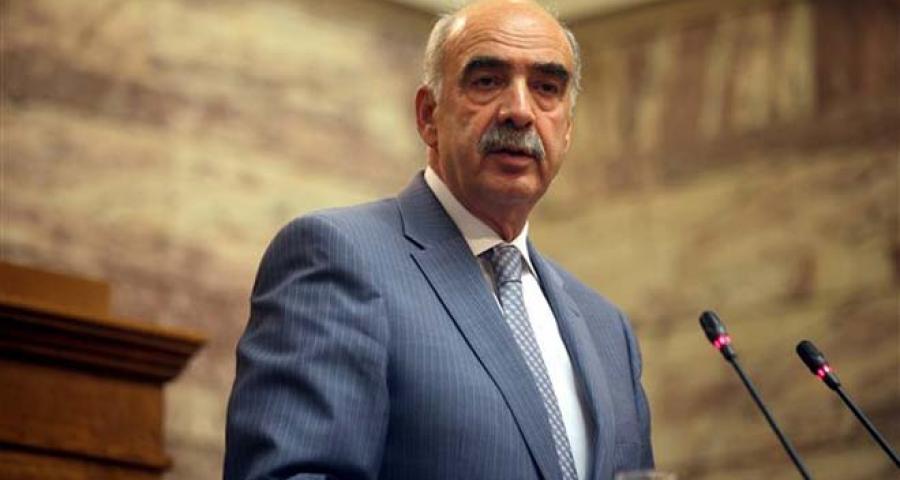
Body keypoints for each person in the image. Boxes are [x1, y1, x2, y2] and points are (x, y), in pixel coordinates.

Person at [224, 1, 653, 479]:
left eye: (546, 88)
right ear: (429, 115)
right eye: (487, 81)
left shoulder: (607, 330)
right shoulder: (337, 258)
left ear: (567, 130)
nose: (519, 111)